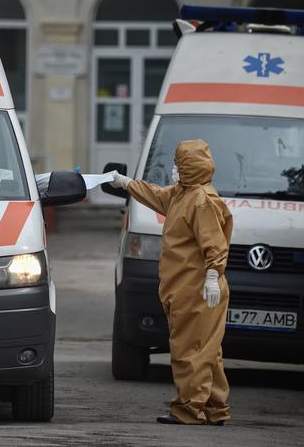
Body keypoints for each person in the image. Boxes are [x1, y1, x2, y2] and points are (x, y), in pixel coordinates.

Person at [110, 139, 233, 425]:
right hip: (191, 287)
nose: (174, 169)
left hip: (197, 288)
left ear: (190, 167)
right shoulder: (183, 194)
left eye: (178, 164)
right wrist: (126, 183)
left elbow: (214, 244)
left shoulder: (201, 200)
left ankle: (188, 410)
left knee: (189, 351)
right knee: (207, 352)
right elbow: (155, 195)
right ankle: (215, 409)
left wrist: (213, 275)